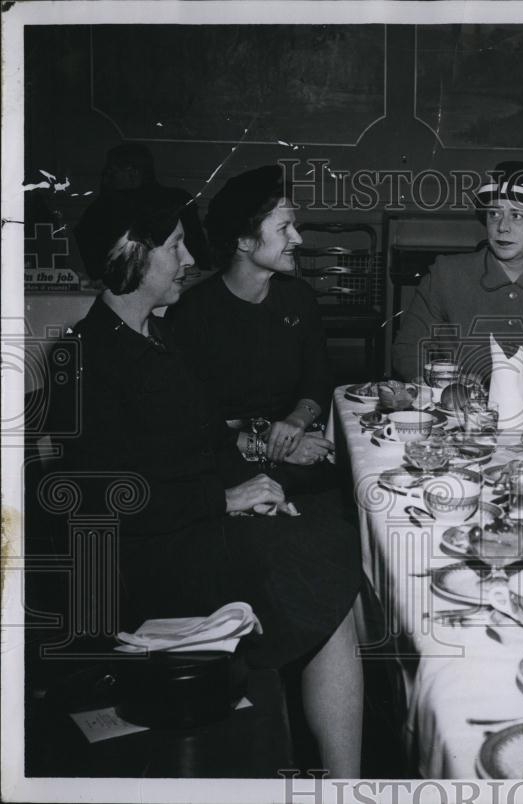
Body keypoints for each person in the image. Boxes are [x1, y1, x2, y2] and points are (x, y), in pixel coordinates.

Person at [66, 188, 363, 775]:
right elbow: (102, 498)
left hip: (194, 526)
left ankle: (338, 774)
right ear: (131, 253)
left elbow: (205, 442)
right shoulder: (87, 355)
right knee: (329, 572)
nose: (186, 260)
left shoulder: (157, 336)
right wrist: (227, 498)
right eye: (174, 246)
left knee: (329, 541)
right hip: (152, 558)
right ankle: (343, 777)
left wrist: (259, 487)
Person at [168, 166, 334, 490]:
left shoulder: (298, 298)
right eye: (285, 228)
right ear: (243, 240)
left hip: (298, 446)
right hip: (224, 466)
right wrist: (276, 449)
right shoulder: (192, 316)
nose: (298, 238)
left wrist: (297, 420)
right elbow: (192, 428)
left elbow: (319, 377)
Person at [391, 161, 523, 385]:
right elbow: (407, 350)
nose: (503, 226)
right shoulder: (446, 275)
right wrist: (442, 383)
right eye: (494, 213)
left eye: (517, 216)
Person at [75, 142, 212, 280]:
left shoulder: (107, 207)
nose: (106, 177)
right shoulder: (178, 199)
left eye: (112, 171)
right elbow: (199, 253)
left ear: (132, 172)